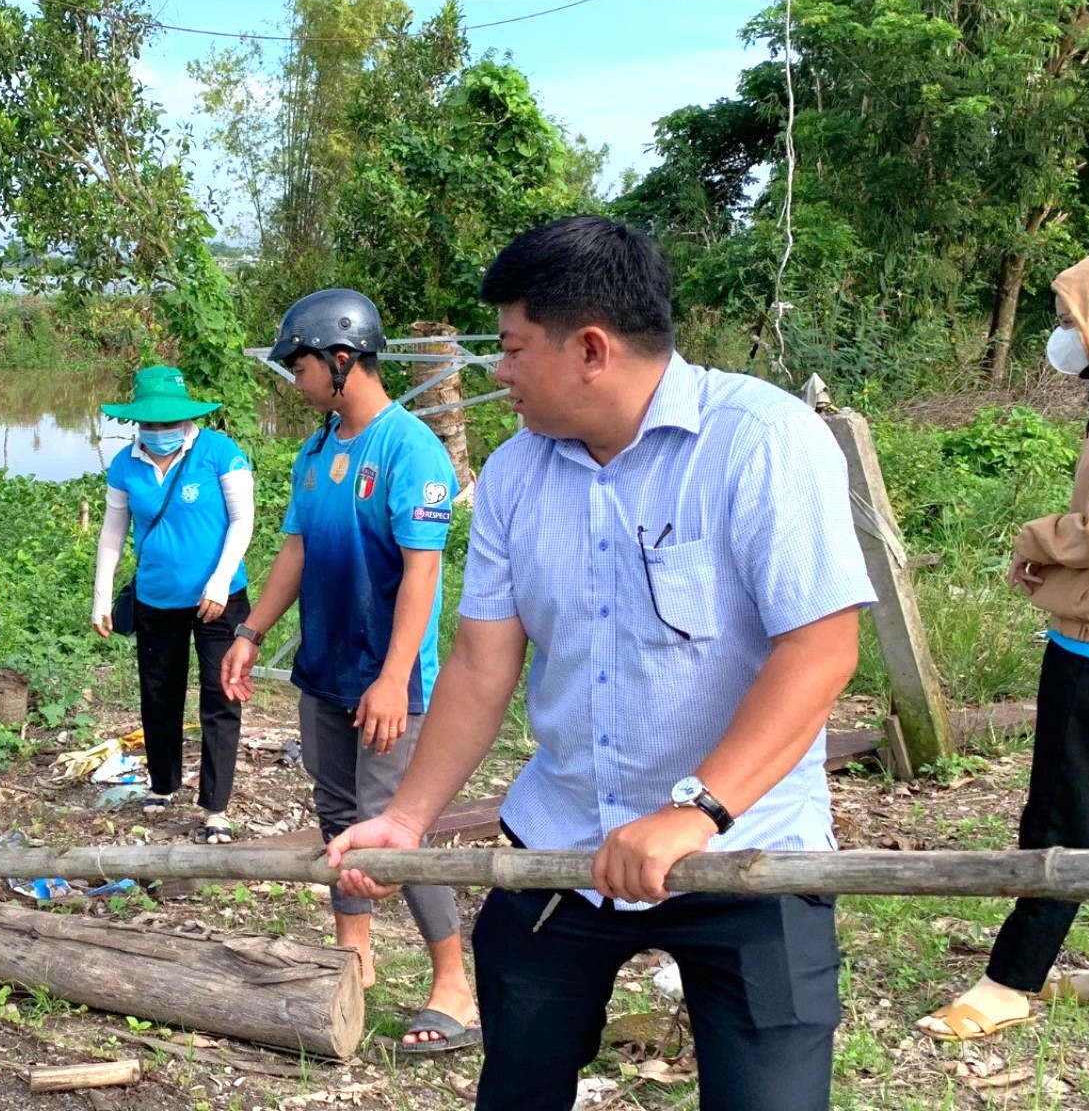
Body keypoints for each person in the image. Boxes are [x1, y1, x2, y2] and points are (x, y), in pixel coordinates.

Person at [326, 216, 876, 1109]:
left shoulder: (763, 442)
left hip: (748, 852)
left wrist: (693, 812)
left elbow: (819, 648)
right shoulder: (513, 475)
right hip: (564, 845)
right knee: (518, 1089)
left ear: (590, 349)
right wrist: (408, 818)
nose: (496, 372)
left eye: (509, 348)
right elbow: (479, 662)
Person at [918, 239, 1089, 1041]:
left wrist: (1040, 538)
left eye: (1074, 314)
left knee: (1062, 814)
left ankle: (1010, 981)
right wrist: (1066, 562)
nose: (1066, 329)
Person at [220, 289, 476, 1053]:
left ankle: (453, 987)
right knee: (336, 816)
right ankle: (353, 957)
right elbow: (296, 549)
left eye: (296, 365)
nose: (292, 379)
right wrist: (252, 632)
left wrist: (394, 675)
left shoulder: (410, 451)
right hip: (322, 670)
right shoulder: (317, 448)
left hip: (387, 679)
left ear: (340, 359)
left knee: (396, 830)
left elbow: (423, 576)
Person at [90, 366, 255, 843]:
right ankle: (162, 784)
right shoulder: (125, 463)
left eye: (168, 424)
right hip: (155, 598)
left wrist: (220, 582)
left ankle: (215, 807)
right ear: (137, 422)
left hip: (217, 600)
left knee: (220, 696)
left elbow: (243, 521)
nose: (159, 433)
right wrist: (102, 595)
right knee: (159, 692)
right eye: (150, 424)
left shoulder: (220, 453)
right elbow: (113, 530)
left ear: (186, 419)